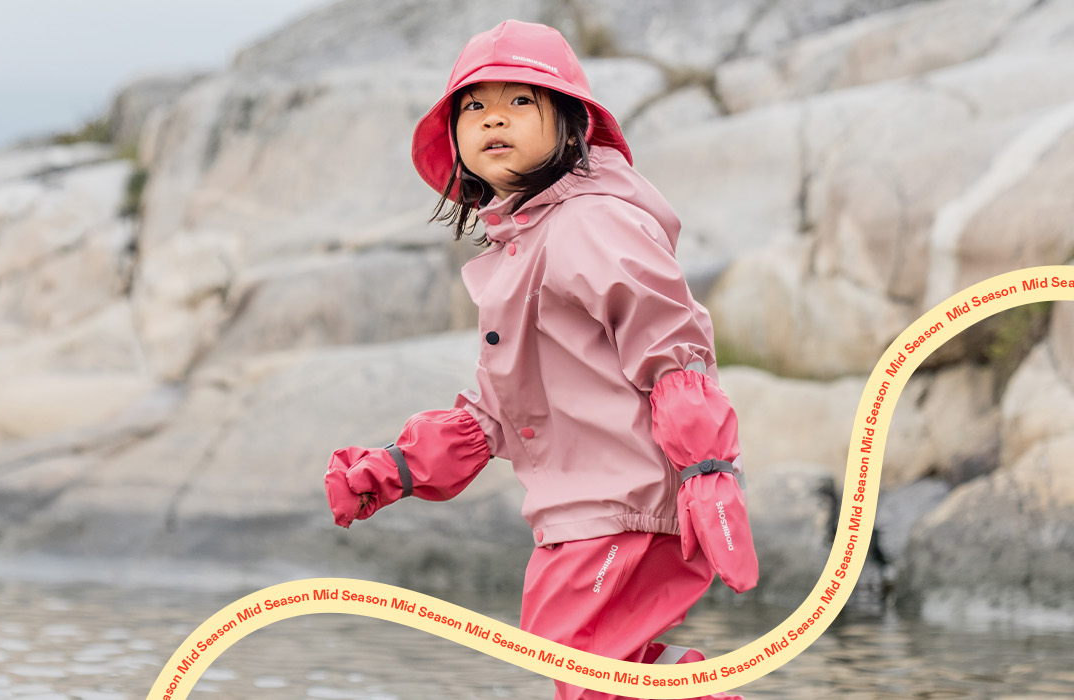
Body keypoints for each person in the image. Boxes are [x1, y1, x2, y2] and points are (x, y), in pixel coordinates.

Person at [321, 20, 759, 700]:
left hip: (625, 504)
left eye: (521, 101)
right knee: (601, 666)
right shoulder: (523, 246)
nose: (493, 117)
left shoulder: (590, 221)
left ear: (572, 126)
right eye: (473, 105)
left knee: (583, 666)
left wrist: (708, 469)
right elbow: (498, 408)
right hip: (582, 510)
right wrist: (397, 467)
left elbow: (671, 346)